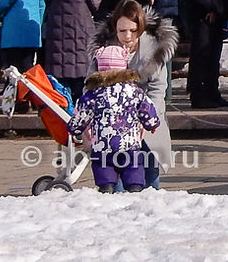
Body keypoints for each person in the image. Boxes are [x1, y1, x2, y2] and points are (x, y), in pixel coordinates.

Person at [96, 0, 178, 189]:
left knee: (150, 172)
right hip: (113, 124)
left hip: (146, 120)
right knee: (116, 180)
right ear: (114, 28)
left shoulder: (154, 51)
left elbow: (158, 90)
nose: (127, 36)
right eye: (122, 30)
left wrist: (145, 118)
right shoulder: (103, 50)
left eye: (133, 31)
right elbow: (91, 85)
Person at [68, 44, 160, 193]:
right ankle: (135, 188)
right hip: (129, 143)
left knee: (104, 167)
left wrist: (74, 128)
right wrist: (152, 124)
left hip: (102, 144)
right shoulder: (134, 91)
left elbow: (82, 113)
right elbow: (146, 108)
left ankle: (106, 187)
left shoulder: (93, 94)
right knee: (133, 167)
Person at [41, 0, 101, 103]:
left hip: (56, 28)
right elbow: (95, 2)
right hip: (80, 29)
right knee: (80, 71)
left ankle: (63, 111)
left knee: (60, 73)